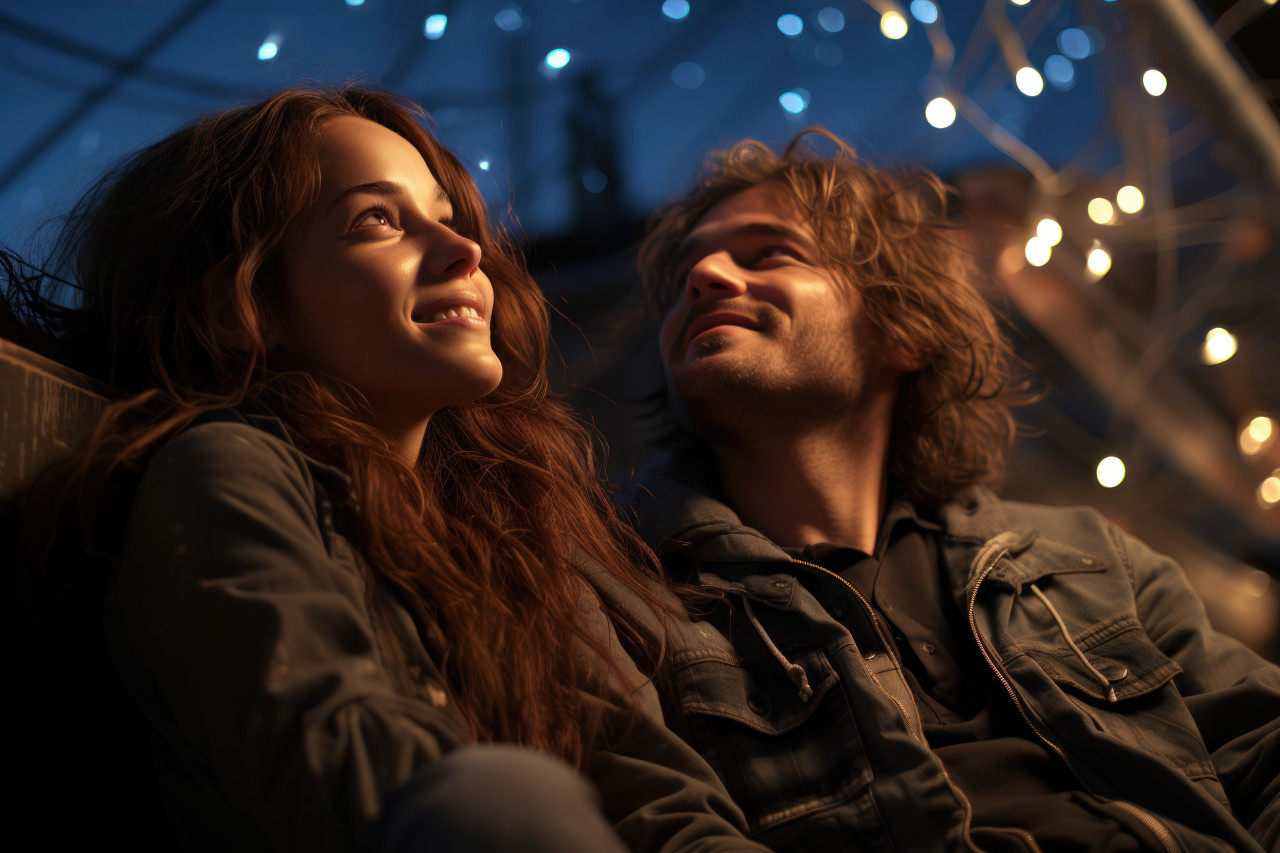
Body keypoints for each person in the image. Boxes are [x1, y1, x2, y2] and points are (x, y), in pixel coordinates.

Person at [2, 87, 770, 853]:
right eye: (378, 219)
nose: (465, 250)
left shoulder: (517, 529)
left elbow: (663, 806)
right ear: (243, 306)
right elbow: (356, 783)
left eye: (449, 216)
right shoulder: (223, 470)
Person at [619, 129, 1280, 852]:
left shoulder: (1093, 559)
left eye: (769, 251)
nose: (705, 273)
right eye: (688, 266)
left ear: (902, 332)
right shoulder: (630, 603)